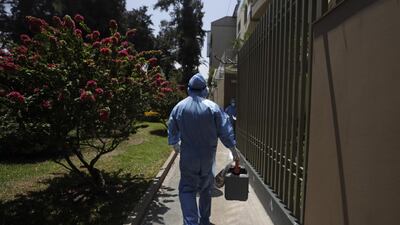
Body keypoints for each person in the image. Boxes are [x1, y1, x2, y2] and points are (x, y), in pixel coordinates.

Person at [168, 73, 239, 225]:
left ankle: (191, 222)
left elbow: (172, 128)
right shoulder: (213, 108)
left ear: (189, 89)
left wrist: (175, 144)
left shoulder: (179, 107)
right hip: (208, 158)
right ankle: (204, 220)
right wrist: (232, 148)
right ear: (204, 89)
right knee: (206, 188)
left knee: (187, 190)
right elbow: (225, 130)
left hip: (188, 157)